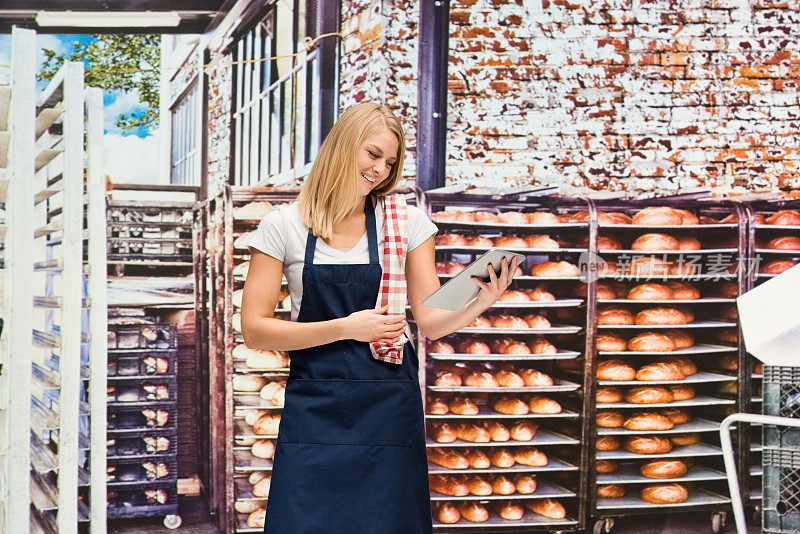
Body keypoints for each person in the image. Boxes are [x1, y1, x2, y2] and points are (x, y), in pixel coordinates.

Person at [241, 102, 518, 533]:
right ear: (343, 146)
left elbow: (428, 320)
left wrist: (482, 300)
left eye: (389, 162)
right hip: (317, 407)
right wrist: (346, 328)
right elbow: (255, 330)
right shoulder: (284, 225)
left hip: (388, 405)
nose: (380, 170)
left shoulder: (405, 222)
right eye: (372, 154)